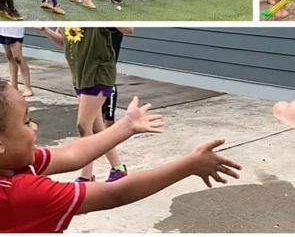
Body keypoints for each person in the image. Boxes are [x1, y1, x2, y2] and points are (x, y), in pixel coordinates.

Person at [0, 84, 241, 233]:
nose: (34, 126)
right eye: (25, 121)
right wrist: (190, 164)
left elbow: (72, 155)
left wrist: (127, 125)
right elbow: (116, 193)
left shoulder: (14, 162)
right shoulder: (20, 195)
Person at [34, 27, 135, 182]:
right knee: (97, 127)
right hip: (81, 77)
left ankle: (86, 176)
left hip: (97, 74)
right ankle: (118, 168)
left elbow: (129, 29)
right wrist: (44, 30)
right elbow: (65, 43)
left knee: (83, 126)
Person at [0, 27, 32, 97]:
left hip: (15, 32)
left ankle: (28, 87)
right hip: (2, 30)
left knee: (18, 58)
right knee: (9, 57)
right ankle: (13, 85)